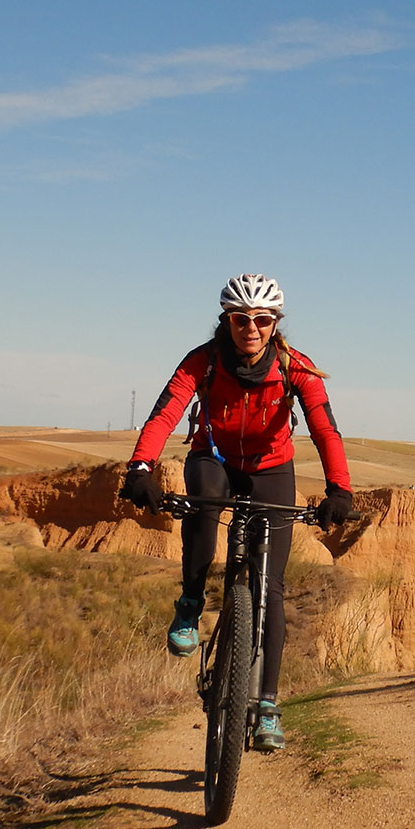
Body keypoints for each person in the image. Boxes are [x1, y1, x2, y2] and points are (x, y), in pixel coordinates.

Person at [118, 273, 354, 751]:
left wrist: (339, 490)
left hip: (271, 468)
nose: (251, 327)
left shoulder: (296, 368)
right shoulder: (202, 362)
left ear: (274, 324)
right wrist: (140, 466)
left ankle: (266, 704)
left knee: (272, 587)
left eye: (262, 319)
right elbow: (165, 413)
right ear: (226, 321)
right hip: (214, 457)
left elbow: (325, 429)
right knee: (202, 510)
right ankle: (189, 604)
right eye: (240, 318)